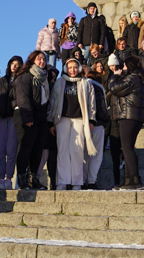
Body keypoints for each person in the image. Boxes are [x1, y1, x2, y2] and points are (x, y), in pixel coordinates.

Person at [49, 57, 97, 191]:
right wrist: (50, 121)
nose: (72, 70)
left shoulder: (85, 83)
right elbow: (53, 103)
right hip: (62, 119)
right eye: (70, 68)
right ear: (66, 69)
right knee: (63, 150)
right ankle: (62, 181)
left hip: (79, 119)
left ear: (79, 69)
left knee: (77, 150)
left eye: (75, 67)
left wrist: (91, 120)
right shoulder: (59, 82)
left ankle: (77, 182)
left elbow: (91, 103)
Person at [108, 52, 144, 189]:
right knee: (127, 148)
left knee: (126, 148)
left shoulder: (133, 79)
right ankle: (128, 179)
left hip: (128, 116)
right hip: (135, 116)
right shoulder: (140, 78)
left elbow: (113, 88)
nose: (123, 68)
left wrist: (115, 76)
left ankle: (135, 180)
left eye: (125, 65)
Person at [13, 51, 52, 189]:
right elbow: (23, 98)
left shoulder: (44, 78)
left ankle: (33, 178)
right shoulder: (25, 77)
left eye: (44, 59)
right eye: (39, 59)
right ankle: (22, 178)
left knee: (38, 148)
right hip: (26, 115)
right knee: (26, 147)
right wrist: (28, 118)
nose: (42, 61)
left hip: (40, 116)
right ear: (32, 60)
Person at [0, 57, 19, 189]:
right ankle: (0, 178)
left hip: (14, 117)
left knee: (11, 149)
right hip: (1, 117)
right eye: (13, 63)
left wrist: (13, 105)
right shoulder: (2, 81)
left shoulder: (21, 80)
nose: (15, 66)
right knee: (0, 150)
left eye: (18, 64)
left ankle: (9, 178)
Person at [82, 64, 110, 190]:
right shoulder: (97, 87)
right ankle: (91, 180)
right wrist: (106, 119)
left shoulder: (83, 85)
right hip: (97, 124)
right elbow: (100, 107)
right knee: (96, 154)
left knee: (84, 154)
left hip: (83, 124)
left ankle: (82, 180)